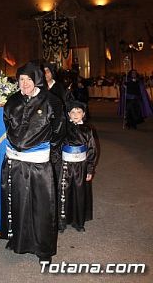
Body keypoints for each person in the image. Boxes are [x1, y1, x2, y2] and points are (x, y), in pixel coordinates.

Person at [0, 61, 65, 266]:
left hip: (38, 162)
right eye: (21, 79)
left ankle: (43, 249)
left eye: (28, 79)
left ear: (37, 79)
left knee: (42, 205)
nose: (25, 83)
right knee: (18, 201)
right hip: (16, 161)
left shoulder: (51, 101)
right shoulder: (12, 101)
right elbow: (7, 125)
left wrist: (43, 147)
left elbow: (59, 129)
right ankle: (18, 240)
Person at [58, 100, 97, 233]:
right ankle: (62, 221)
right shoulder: (63, 128)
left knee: (79, 193)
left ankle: (78, 221)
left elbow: (92, 149)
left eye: (79, 112)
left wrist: (90, 168)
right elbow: (57, 146)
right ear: (68, 114)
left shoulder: (88, 130)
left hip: (81, 166)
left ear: (83, 114)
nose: (75, 114)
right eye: (73, 112)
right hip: (65, 165)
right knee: (64, 192)